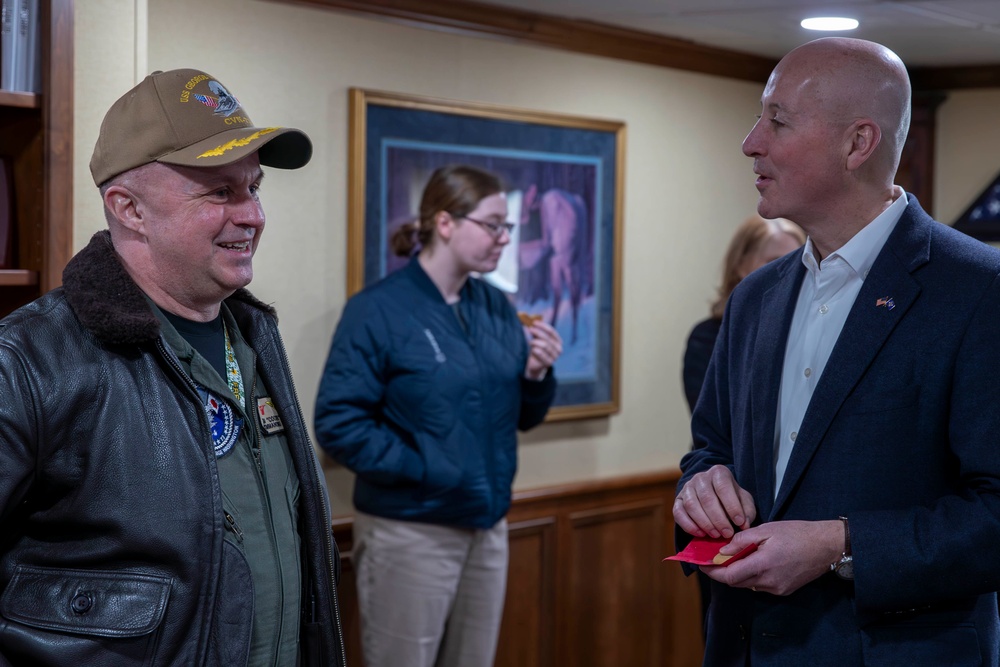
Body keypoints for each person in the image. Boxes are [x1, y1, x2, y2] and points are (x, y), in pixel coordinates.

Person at [0, 69, 345, 666]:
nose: (253, 216)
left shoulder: (256, 336)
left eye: (253, 187)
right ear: (128, 207)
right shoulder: (28, 360)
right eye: (219, 193)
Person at [673, 37, 1000, 666]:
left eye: (777, 120)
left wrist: (839, 546)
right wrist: (701, 485)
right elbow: (709, 448)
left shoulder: (979, 290)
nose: (750, 142)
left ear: (858, 144)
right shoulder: (754, 298)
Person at [314, 164, 562, 667]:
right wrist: (426, 470)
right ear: (445, 223)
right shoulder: (378, 310)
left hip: (486, 527)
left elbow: (521, 417)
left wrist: (536, 375)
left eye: (508, 227)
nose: (504, 239)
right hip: (411, 531)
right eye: (493, 225)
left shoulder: (495, 307)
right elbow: (338, 423)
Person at [681, 214, 804, 640]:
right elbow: (716, 434)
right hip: (733, 515)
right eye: (776, 259)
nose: (791, 268)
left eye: (798, 257)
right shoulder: (710, 336)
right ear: (742, 266)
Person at [682, 214, 805, 413]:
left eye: (798, 263)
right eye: (775, 263)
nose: (790, 274)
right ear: (741, 265)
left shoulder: (808, 329)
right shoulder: (708, 337)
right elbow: (713, 419)